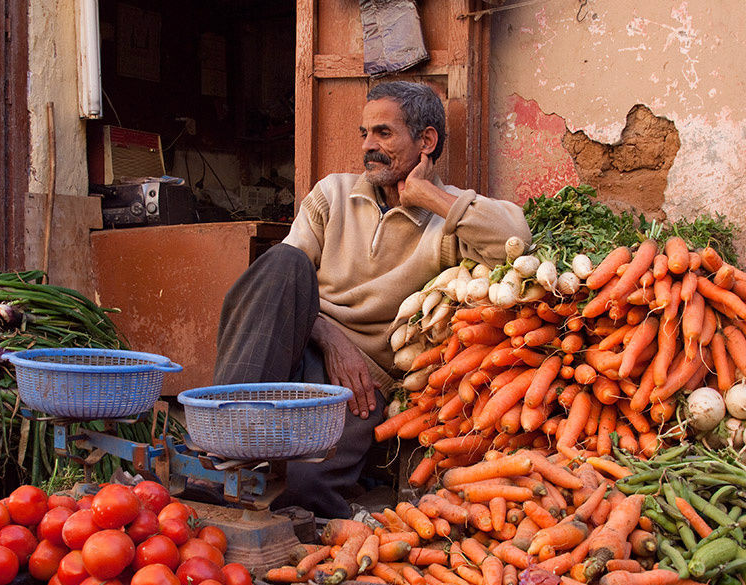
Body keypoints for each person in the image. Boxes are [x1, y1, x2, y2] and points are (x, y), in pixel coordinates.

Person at [212, 81, 531, 518]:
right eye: (364, 134)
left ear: (426, 141)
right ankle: (225, 444)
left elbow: (516, 239)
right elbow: (288, 282)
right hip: (301, 340)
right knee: (282, 261)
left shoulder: (448, 217)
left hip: (361, 381)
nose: (368, 146)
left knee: (309, 494)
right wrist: (330, 338)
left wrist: (431, 198)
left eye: (383, 133)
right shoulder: (333, 194)